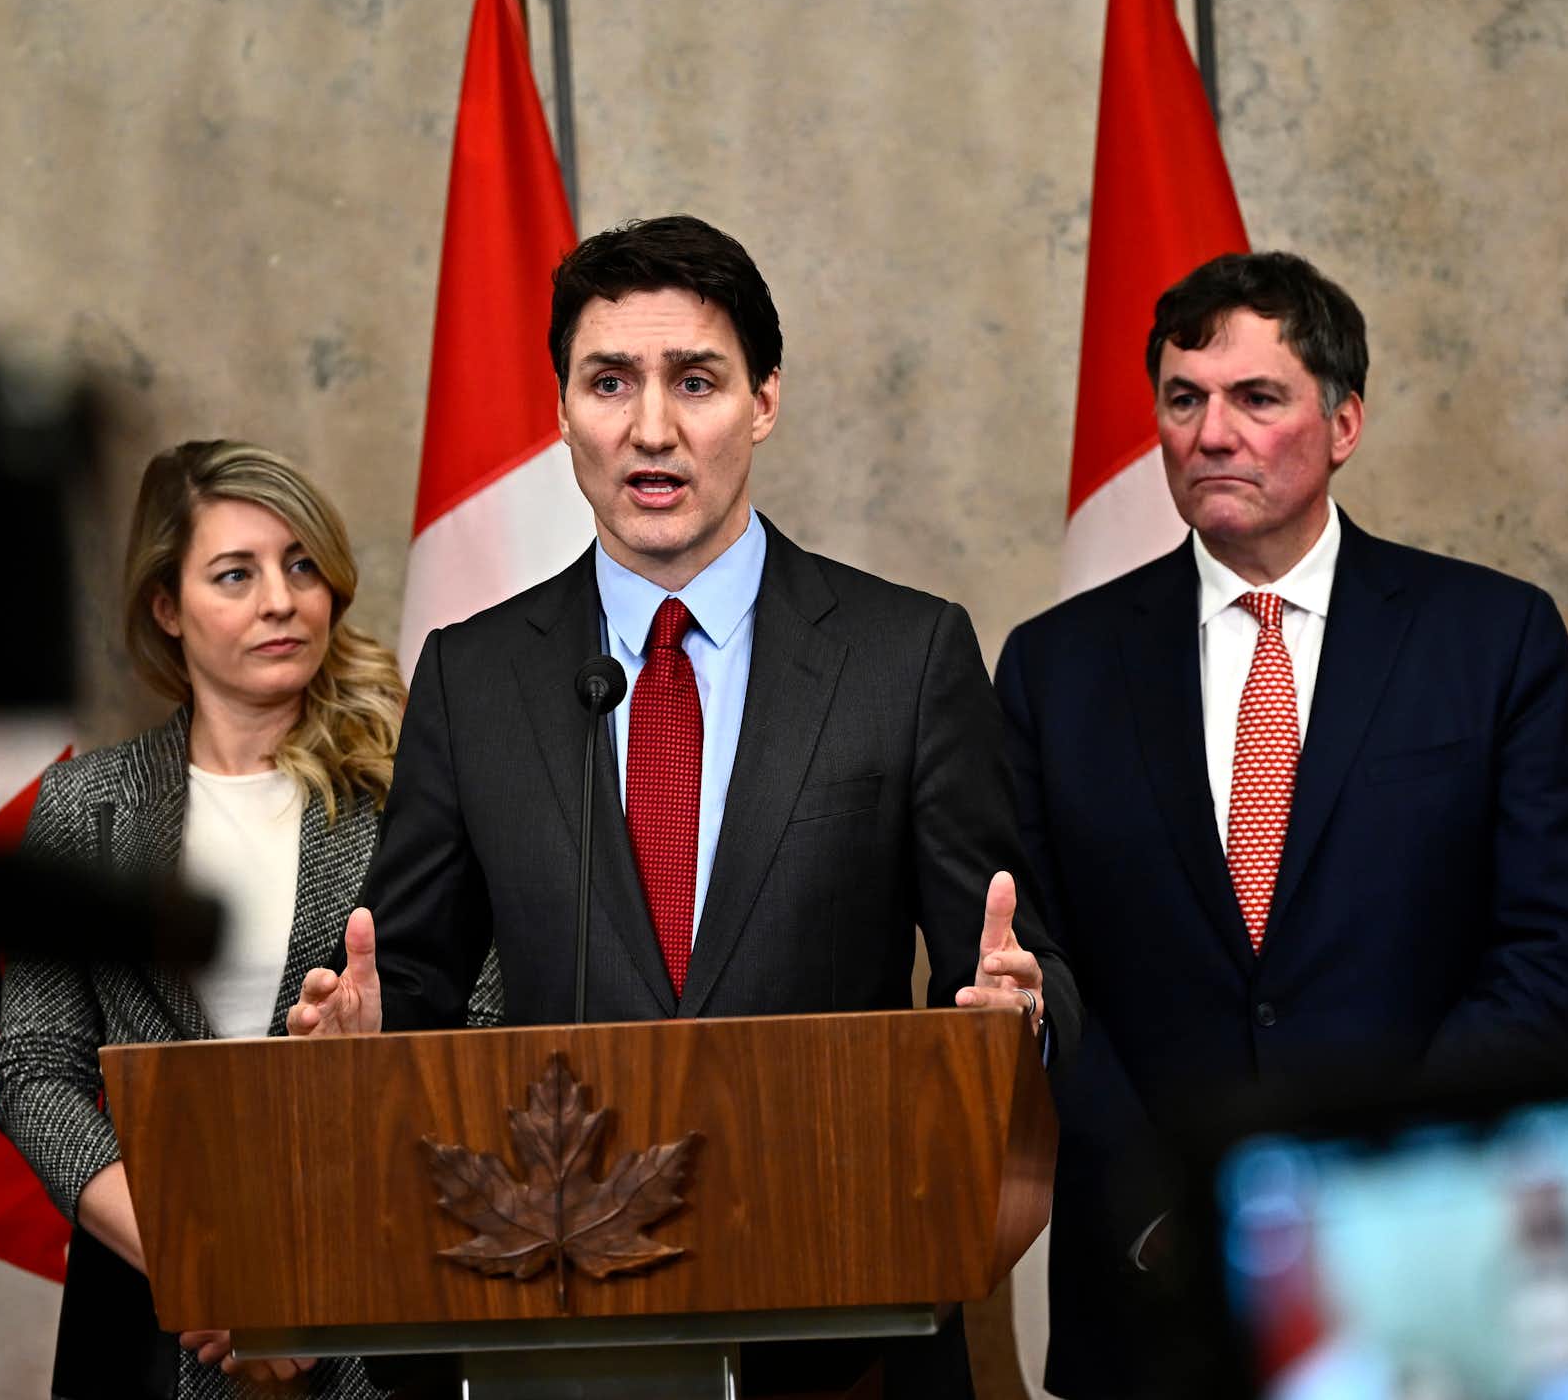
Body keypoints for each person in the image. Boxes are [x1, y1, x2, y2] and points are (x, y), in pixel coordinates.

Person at [289, 214, 1080, 1398]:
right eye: (609, 382)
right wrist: (360, 1040)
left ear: (762, 401)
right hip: (563, 1317)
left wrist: (1021, 1012)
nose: (649, 429)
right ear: (561, 410)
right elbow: (409, 977)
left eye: (694, 381)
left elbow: (1022, 959)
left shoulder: (903, 656)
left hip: (846, 1314)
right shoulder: (476, 676)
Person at [996, 251, 1568, 1397]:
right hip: (1148, 1290)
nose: (1211, 434)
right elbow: (1038, 977)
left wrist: (1384, 1191)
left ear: (1343, 423)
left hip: (1428, 1278)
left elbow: (1548, 951)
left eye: (1255, 398)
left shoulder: (1492, 640)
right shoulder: (1054, 668)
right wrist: (1163, 1204)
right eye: (1184, 400)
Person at [0, 441, 496, 1400]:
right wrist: (208, 1265)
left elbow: (490, 1037)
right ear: (167, 607)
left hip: (373, 1301)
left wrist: (377, 1052)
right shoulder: (85, 805)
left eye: (302, 564)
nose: (281, 599)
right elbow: (34, 1070)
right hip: (148, 1305)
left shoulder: (421, 799)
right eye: (237, 573)